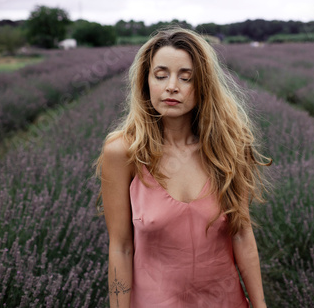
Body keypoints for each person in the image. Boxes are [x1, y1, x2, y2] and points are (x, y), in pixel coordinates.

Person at [93, 26, 272, 308]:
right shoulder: (122, 153)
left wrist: (260, 306)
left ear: (203, 87)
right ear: (145, 82)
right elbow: (121, 248)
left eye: (186, 77)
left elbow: (241, 233)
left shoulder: (227, 148)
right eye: (160, 75)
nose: (171, 86)